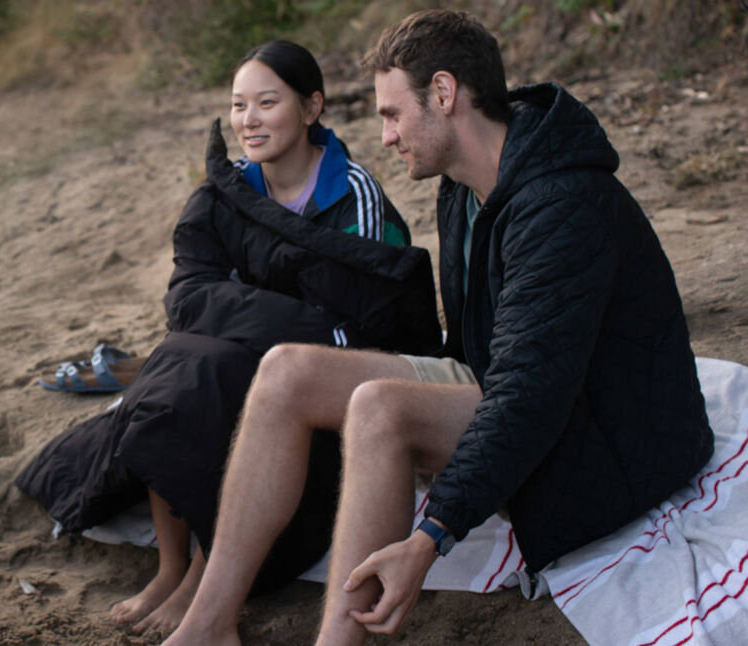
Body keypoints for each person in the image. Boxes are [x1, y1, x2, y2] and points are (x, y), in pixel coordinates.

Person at [165, 10, 714, 646]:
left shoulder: (563, 206)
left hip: (598, 426)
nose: (386, 136)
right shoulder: (459, 187)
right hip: (506, 381)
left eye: (393, 114)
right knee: (288, 368)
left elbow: (530, 399)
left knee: (381, 407)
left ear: (446, 94)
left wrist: (430, 536)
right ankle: (206, 625)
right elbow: (482, 355)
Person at [16, 41, 442, 636]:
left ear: (312, 107)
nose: (248, 120)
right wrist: (274, 320)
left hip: (320, 389)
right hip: (234, 360)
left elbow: (357, 329)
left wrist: (244, 319)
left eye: (268, 102)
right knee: (182, 365)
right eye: (239, 105)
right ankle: (171, 569)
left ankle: (204, 578)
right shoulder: (224, 195)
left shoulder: (353, 199)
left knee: (212, 367)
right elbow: (187, 297)